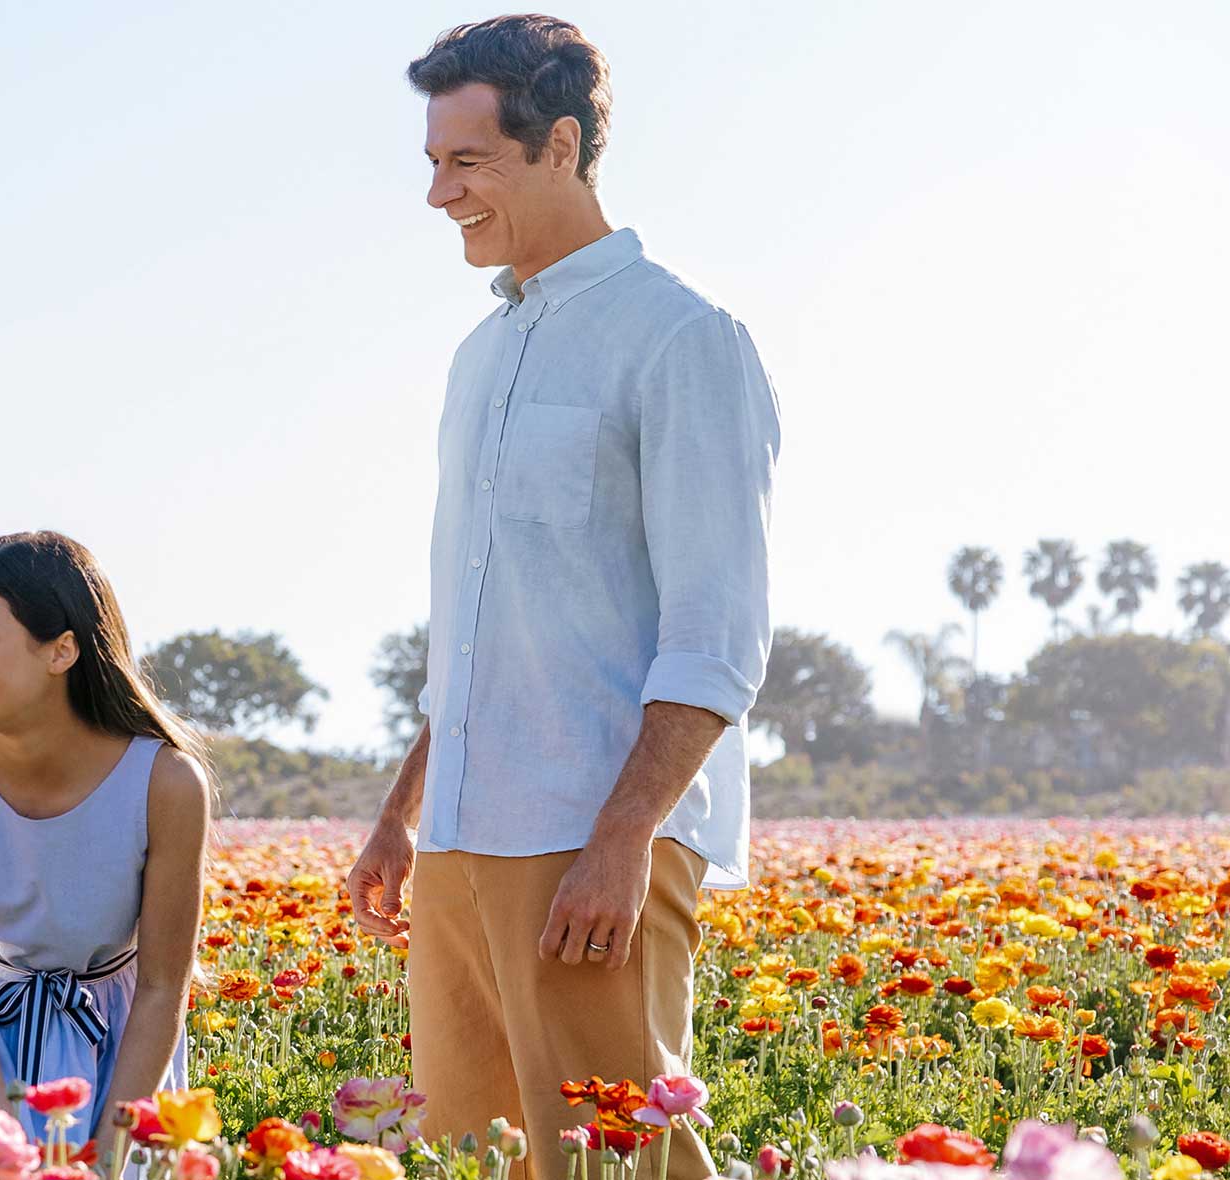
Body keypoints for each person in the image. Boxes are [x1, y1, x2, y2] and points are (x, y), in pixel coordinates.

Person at [341, 17, 780, 1180]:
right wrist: (402, 811)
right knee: (469, 1158)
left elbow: (716, 636)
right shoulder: (480, 357)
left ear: (563, 145)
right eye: (433, 162)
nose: (439, 194)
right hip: (464, 838)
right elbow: (484, 630)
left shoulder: (684, 340)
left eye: (467, 162)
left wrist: (623, 837)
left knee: (625, 1162)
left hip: (591, 848)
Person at [0, 531, 210, 1143]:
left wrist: (109, 1151)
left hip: (121, 1050)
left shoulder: (166, 782)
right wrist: (1, 1138)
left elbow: (162, 988)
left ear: (62, 650)